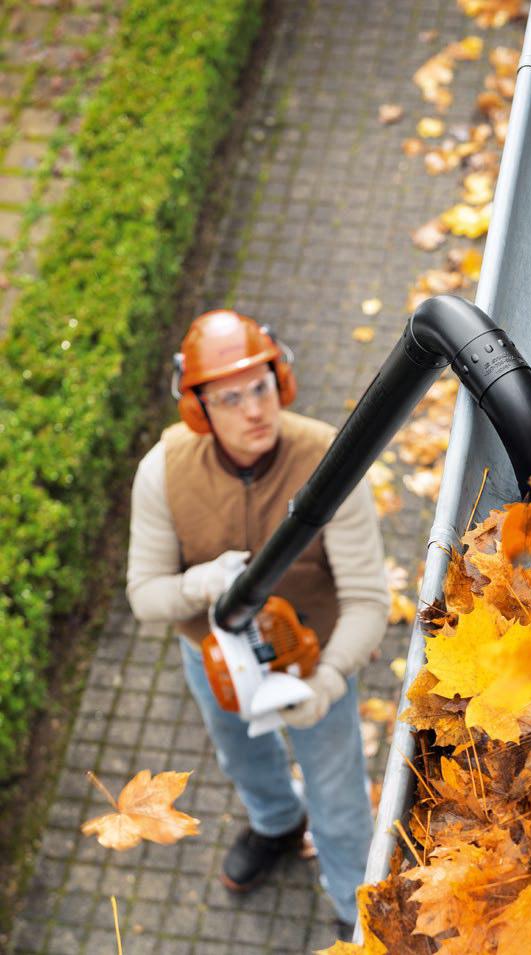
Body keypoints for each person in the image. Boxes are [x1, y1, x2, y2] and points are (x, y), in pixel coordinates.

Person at [126, 309, 389, 935]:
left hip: (315, 656)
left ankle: (358, 916)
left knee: (338, 793)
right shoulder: (162, 473)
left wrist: (326, 682)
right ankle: (275, 822)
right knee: (241, 754)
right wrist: (200, 583)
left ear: (282, 383)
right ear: (200, 408)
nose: (254, 410)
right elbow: (144, 596)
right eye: (232, 397)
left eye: (262, 387)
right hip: (213, 658)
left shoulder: (331, 458)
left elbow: (368, 602)